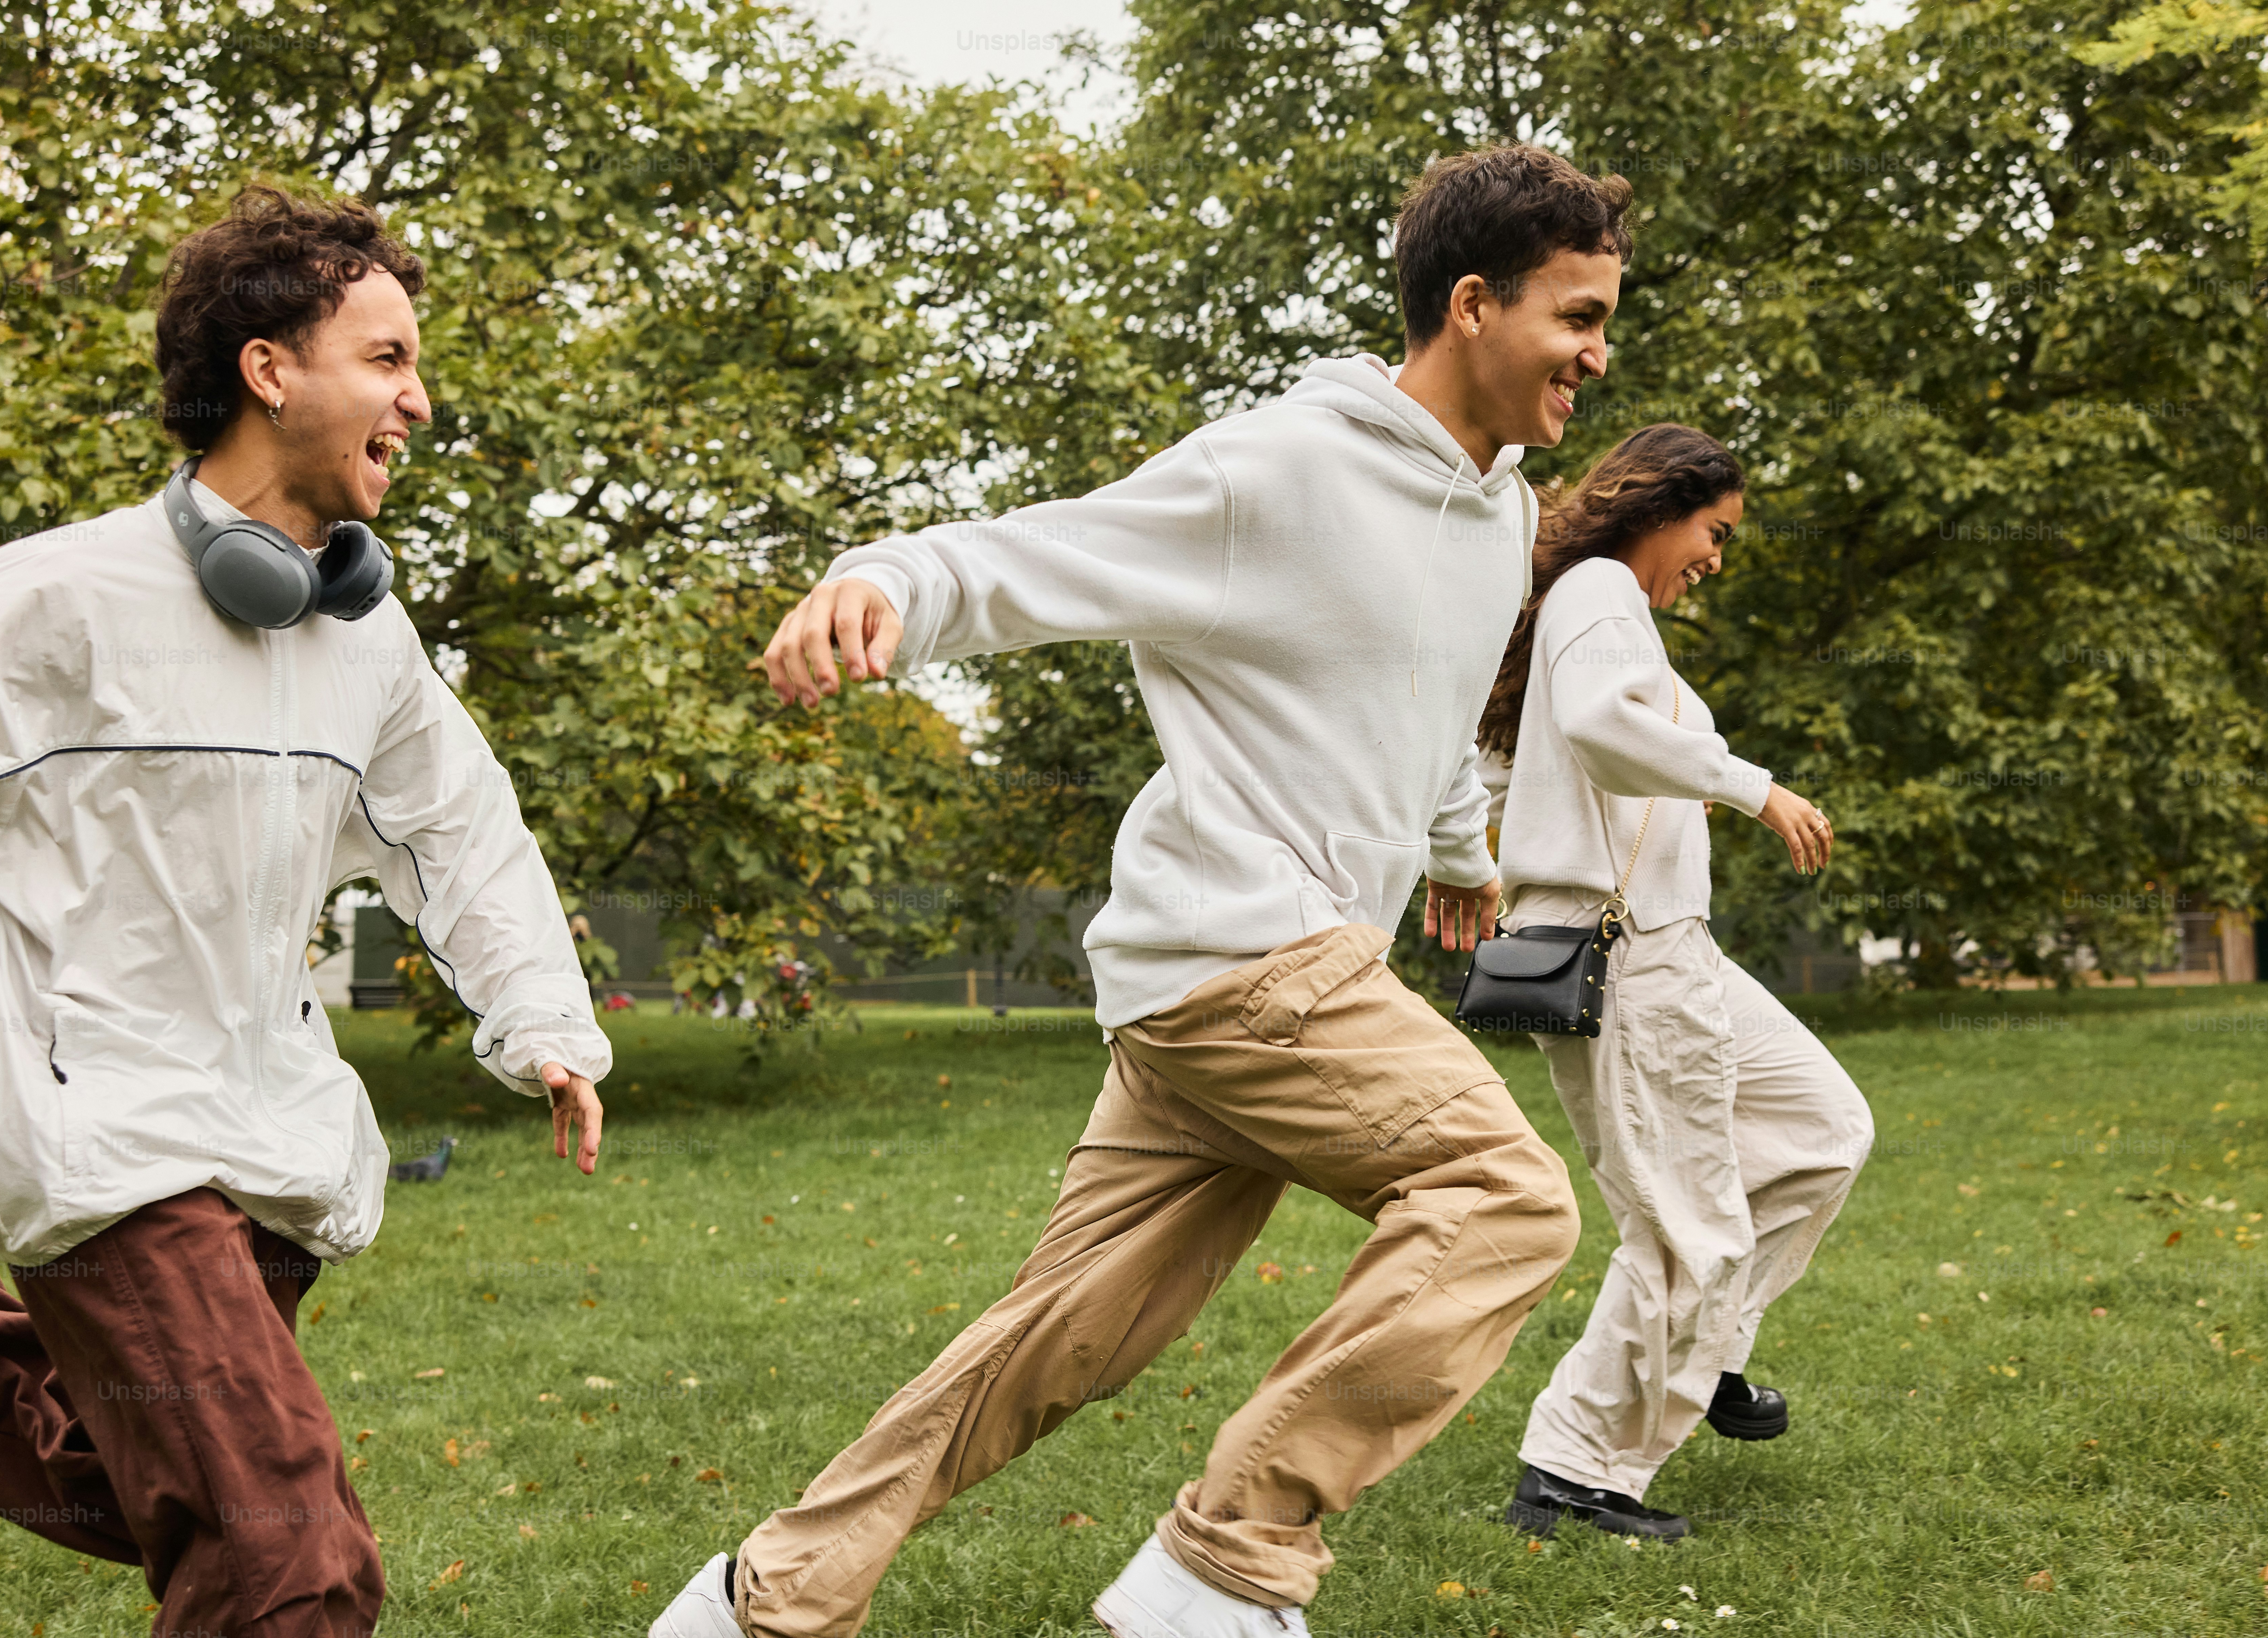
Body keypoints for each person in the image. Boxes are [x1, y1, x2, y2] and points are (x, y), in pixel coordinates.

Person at [649, 142, 1628, 1638]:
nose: (1597, 355)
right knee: (1501, 1199)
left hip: (1217, 987)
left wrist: (1456, 850)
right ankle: (1226, 1562)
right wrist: (887, 582)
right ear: (1476, 306)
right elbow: (1037, 555)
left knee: (1057, 1340)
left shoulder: (1500, 513)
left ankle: (759, 1602)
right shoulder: (1280, 470)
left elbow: (1431, 706)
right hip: (1253, 961)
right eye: (1577, 317)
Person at [0, 185, 612, 1636]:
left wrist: (542, 1019)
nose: (418, 400)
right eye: (387, 358)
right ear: (270, 367)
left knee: (119, 1472)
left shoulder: (365, 642)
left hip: (270, 1139)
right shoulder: (47, 607)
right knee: (291, 1562)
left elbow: (461, 832)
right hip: (103, 1134)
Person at [1473, 424, 1873, 1542]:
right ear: (1663, 507)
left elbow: (1517, 760)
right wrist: (1753, 787)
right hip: (1625, 954)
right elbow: (1602, 728)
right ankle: (1575, 1467)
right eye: (1716, 531)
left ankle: (1707, 1354)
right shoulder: (1600, 587)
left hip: (1673, 944)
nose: (1718, 555)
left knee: (1824, 1126)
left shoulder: (1608, 608)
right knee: (1682, 1220)